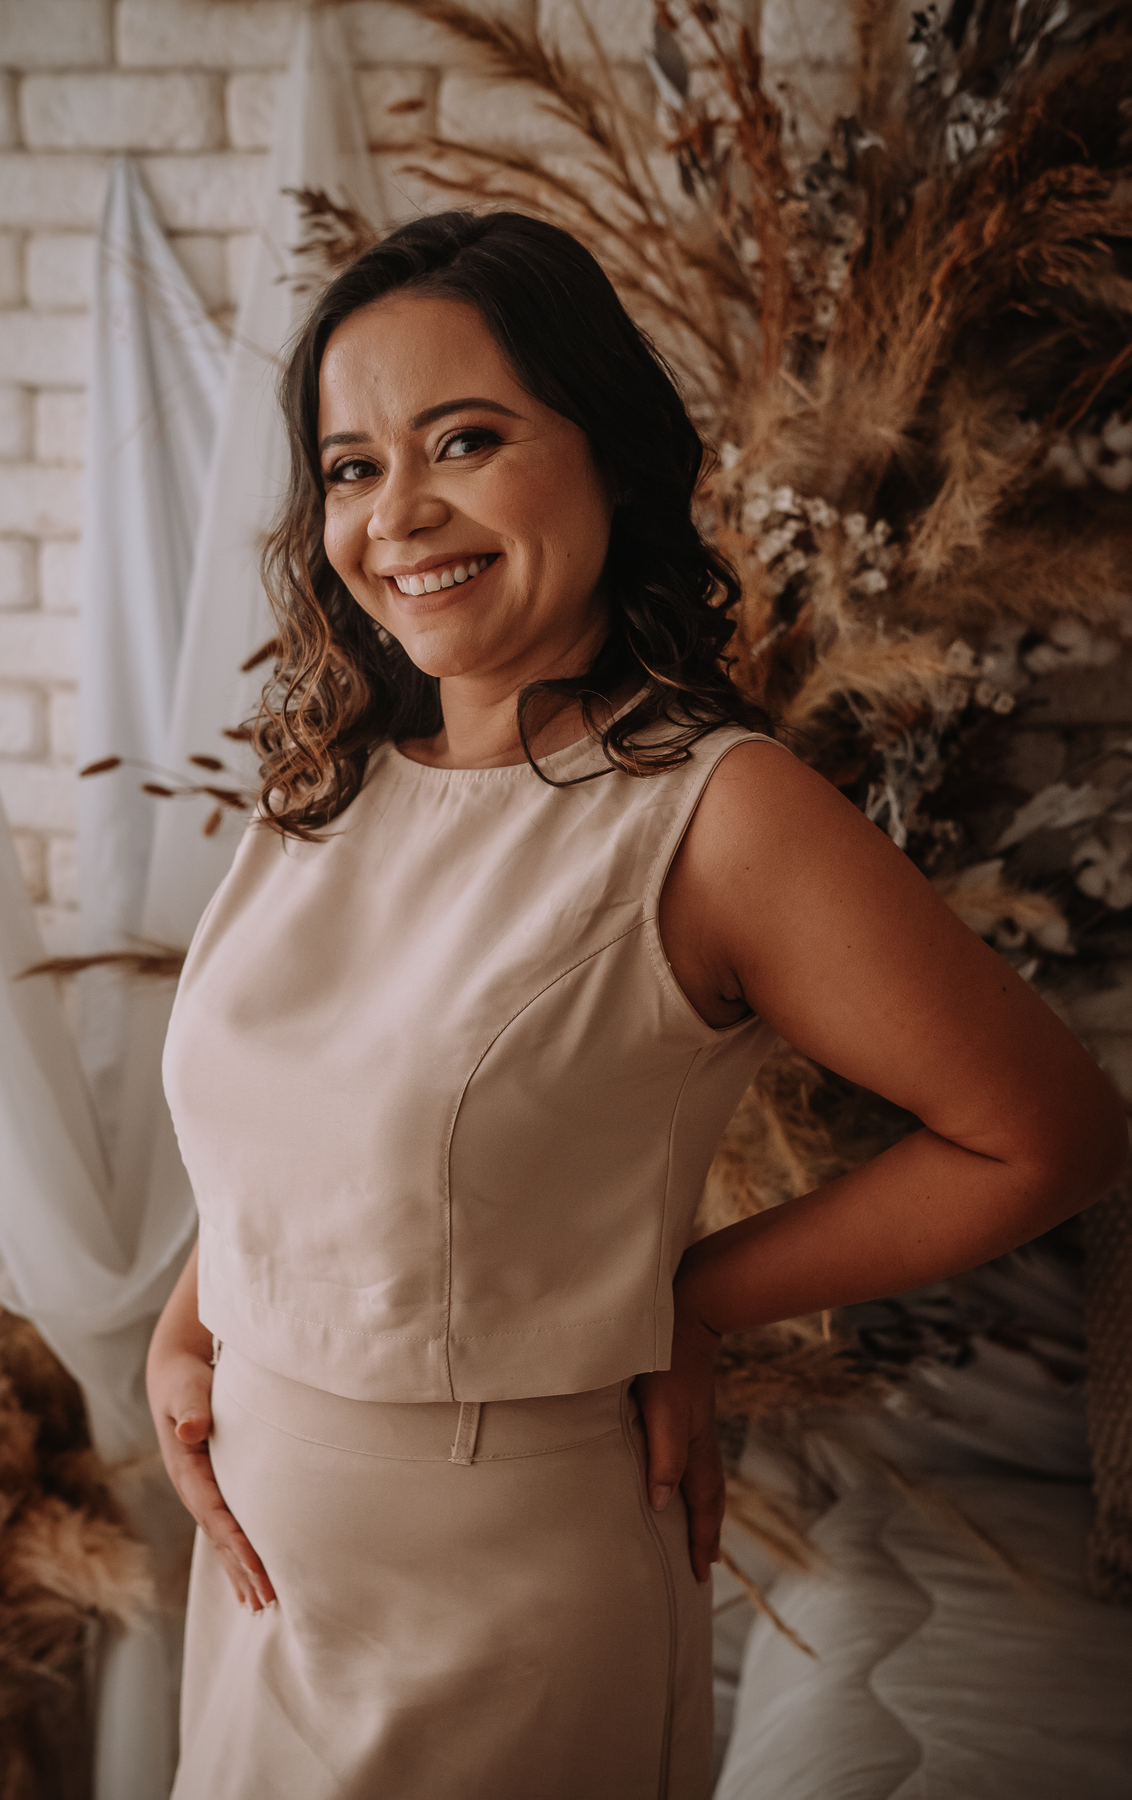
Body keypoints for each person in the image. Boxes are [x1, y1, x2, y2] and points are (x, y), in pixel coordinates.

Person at [147, 211, 1126, 1800]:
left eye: (465, 440)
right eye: (350, 466)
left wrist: (699, 1296)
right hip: (257, 1573)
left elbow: (1049, 1134)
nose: (400, 512)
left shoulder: (713, 814)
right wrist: (192, 1325)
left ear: (610, 456)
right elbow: (296, 1120)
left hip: (497, 1609)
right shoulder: (325, 787)